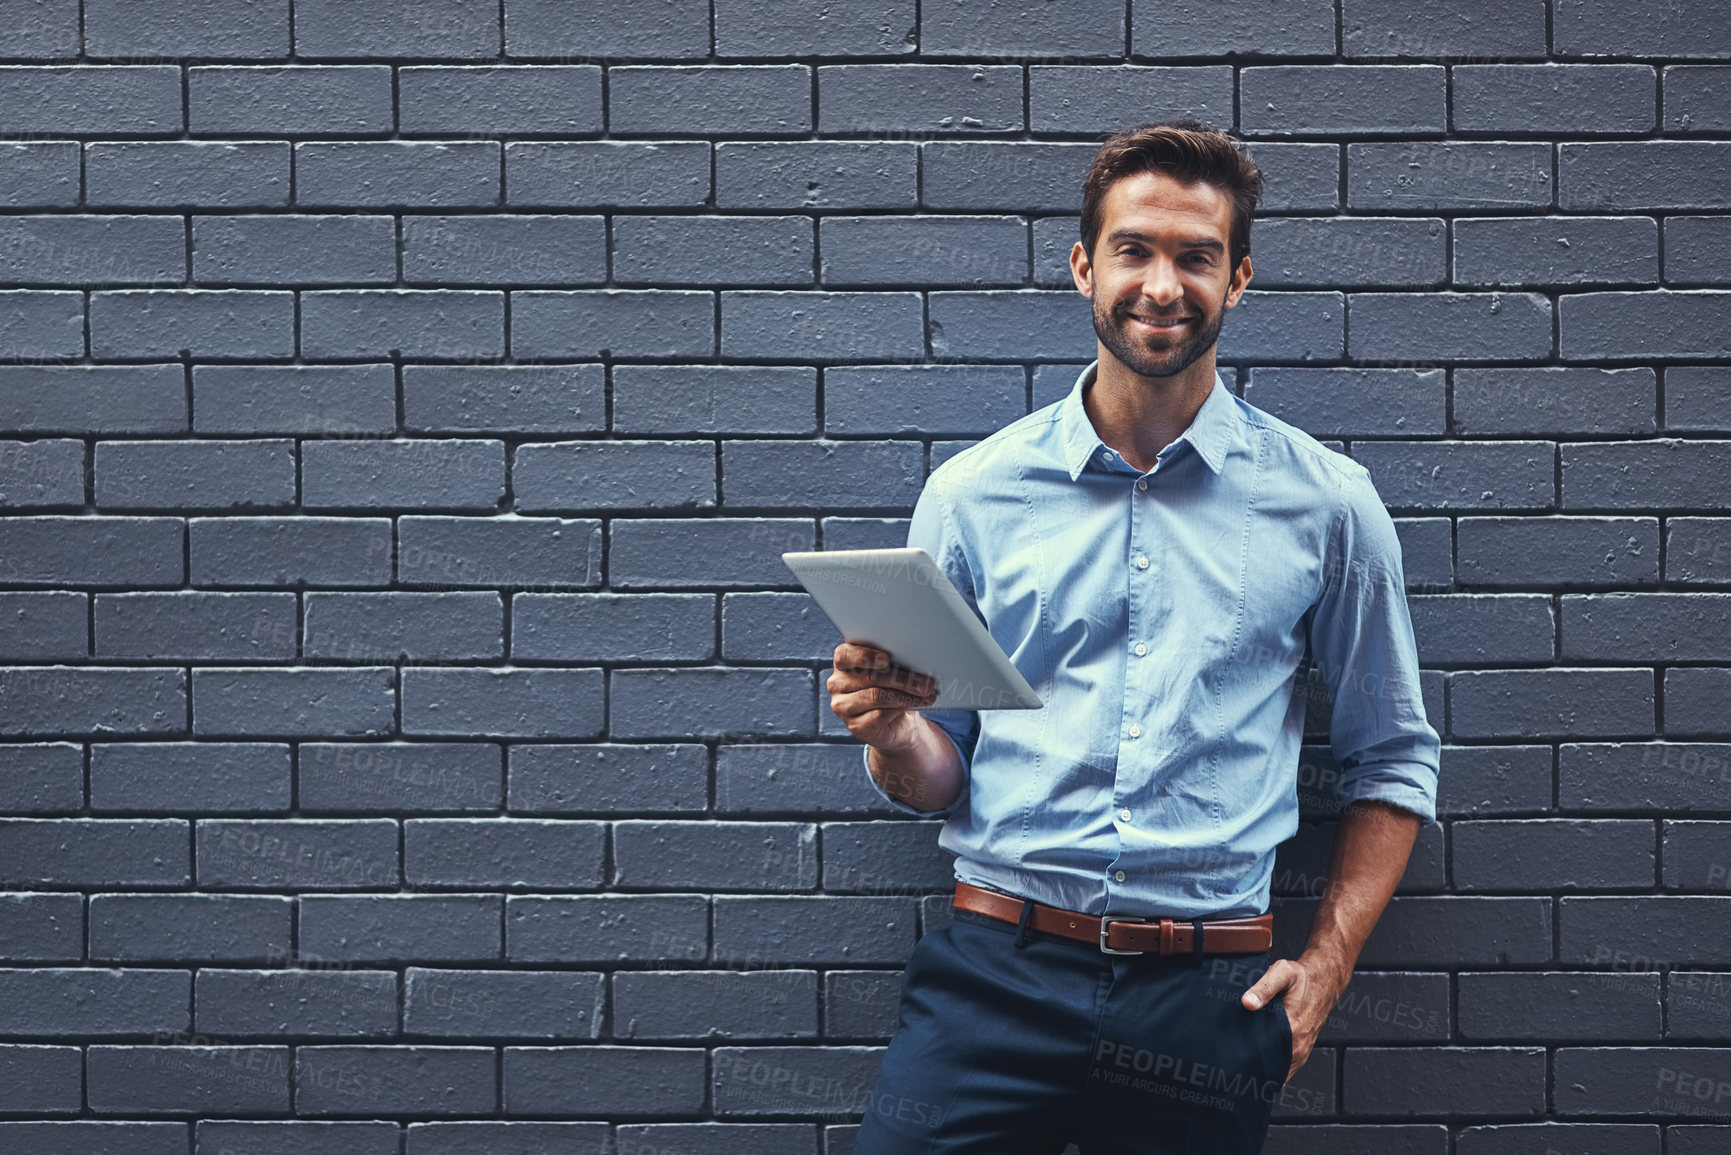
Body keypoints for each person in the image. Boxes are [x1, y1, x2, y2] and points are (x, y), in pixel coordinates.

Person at [828, 119, 1441, 1154]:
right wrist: (892, 736)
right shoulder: (973, 497)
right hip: (994, 972)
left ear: (1237, 278)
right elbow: (943, 775)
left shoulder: (1330, 505)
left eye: (1197, 256)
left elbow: (1394, 760)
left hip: (1206, 999)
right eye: (1135, 250)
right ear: (1083, 267)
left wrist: (1325, 973)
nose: (1164, 284)